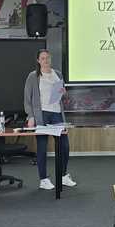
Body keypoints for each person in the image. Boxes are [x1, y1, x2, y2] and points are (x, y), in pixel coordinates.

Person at [23, 51, 76, 191]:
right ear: (38, 60)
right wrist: (30, 116)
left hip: (57, 114)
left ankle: (63, 175)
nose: (46, 60)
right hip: (42, 114)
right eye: (43, 58)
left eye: (47, 58)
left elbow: (62, 96)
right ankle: (43, 179)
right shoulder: (33, 76)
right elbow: (27, 99)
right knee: (42, 147)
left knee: (64, 146)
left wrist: (63, 93)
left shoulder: (57, 74)